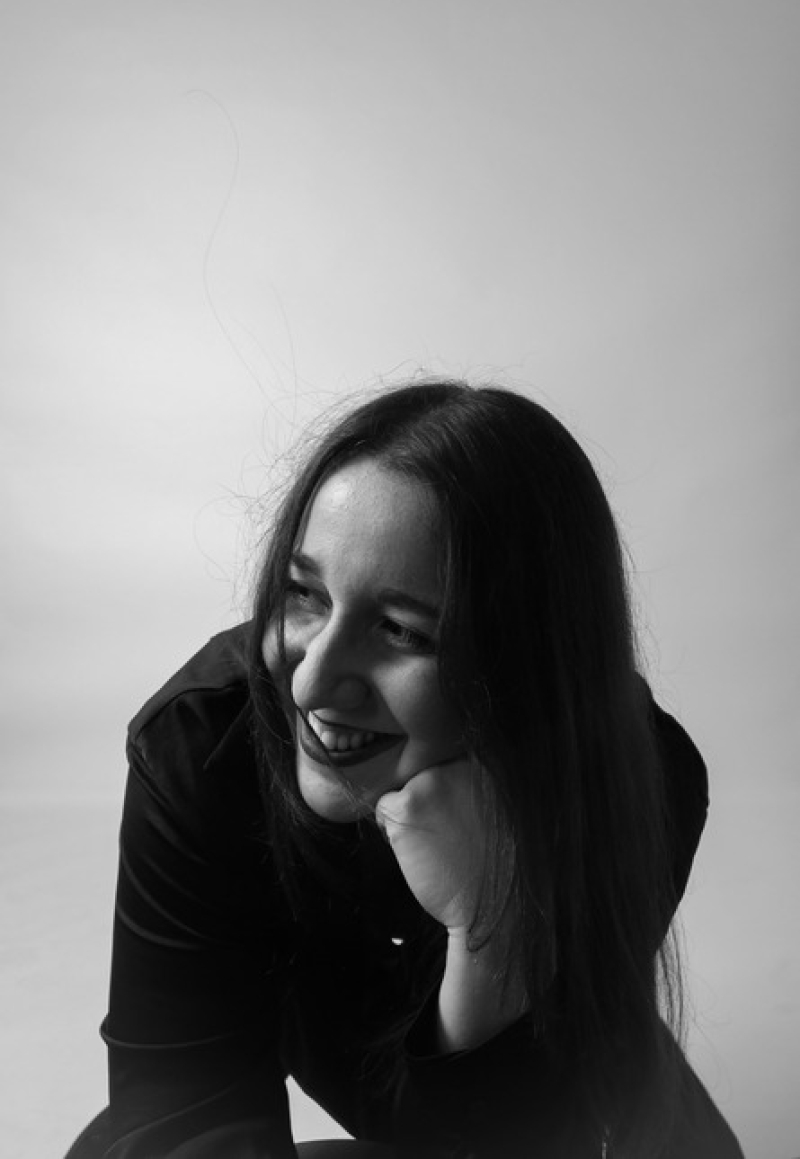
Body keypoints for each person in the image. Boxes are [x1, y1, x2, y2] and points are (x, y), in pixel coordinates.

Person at [66, 381, 744, 1158]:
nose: (310, 682)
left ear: (520, 664)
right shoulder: (199, 748)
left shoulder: (634, 784)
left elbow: (514, 1136)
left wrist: (492, 928)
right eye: (304, 592)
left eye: (401, 630)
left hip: (548, 1085)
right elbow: (179, 1108)